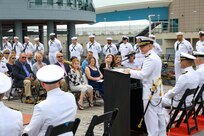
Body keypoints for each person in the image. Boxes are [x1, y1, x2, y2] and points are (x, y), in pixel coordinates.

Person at [124, 36, 166, 136]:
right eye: (140, 46)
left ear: (150, 45)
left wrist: (129, 71)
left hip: (150, 91)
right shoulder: (154, 56)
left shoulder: (150, 58)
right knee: (159, 116)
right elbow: (148, 71)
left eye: (143, 46)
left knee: (151, 119)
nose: (141, 48)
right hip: (157, 90)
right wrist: (137, 70)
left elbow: (143, 75)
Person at [23, 65, 77, 136]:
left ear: (42, 84)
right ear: (59, 82)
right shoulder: (71, 97)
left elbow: (30, 132)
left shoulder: (41, 107)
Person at [162, 52, 199, 124]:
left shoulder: (184, 76)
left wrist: (165, 95)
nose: (180, 63)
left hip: (180, 103)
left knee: (157, 101)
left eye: (181, 61)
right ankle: (169, 119)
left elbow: (175, 91)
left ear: (185, 62)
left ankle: (165, 122)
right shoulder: (195, 73)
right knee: (165, 101)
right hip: (188, 102)